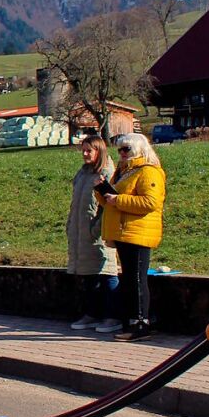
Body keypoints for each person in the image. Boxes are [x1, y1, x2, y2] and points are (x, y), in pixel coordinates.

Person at [98, 132, 166, 342]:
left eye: (126, 149)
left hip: (138, 231)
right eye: (119, 149)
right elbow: (109, 203)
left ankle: (141, 323)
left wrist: (118, 199)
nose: (121, 153)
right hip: (123, 231)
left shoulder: (148, 172)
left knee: (137, 278)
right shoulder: (122, 172)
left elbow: (150, 202)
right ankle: (135, 320)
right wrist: (101, 191)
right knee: (129, 278)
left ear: (139, 149)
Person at [66, 135, 120, 333]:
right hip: (80, 231)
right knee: (89, 275)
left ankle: (112, 316)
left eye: (89, 150)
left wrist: (95, 229)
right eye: (83, 150)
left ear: (99, 151)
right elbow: (77, 204)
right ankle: (92, 313)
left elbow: (107, 206)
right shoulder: (82, 173)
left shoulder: (106, 172)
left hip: (97, 233)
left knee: (107, 272)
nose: (85, 154)